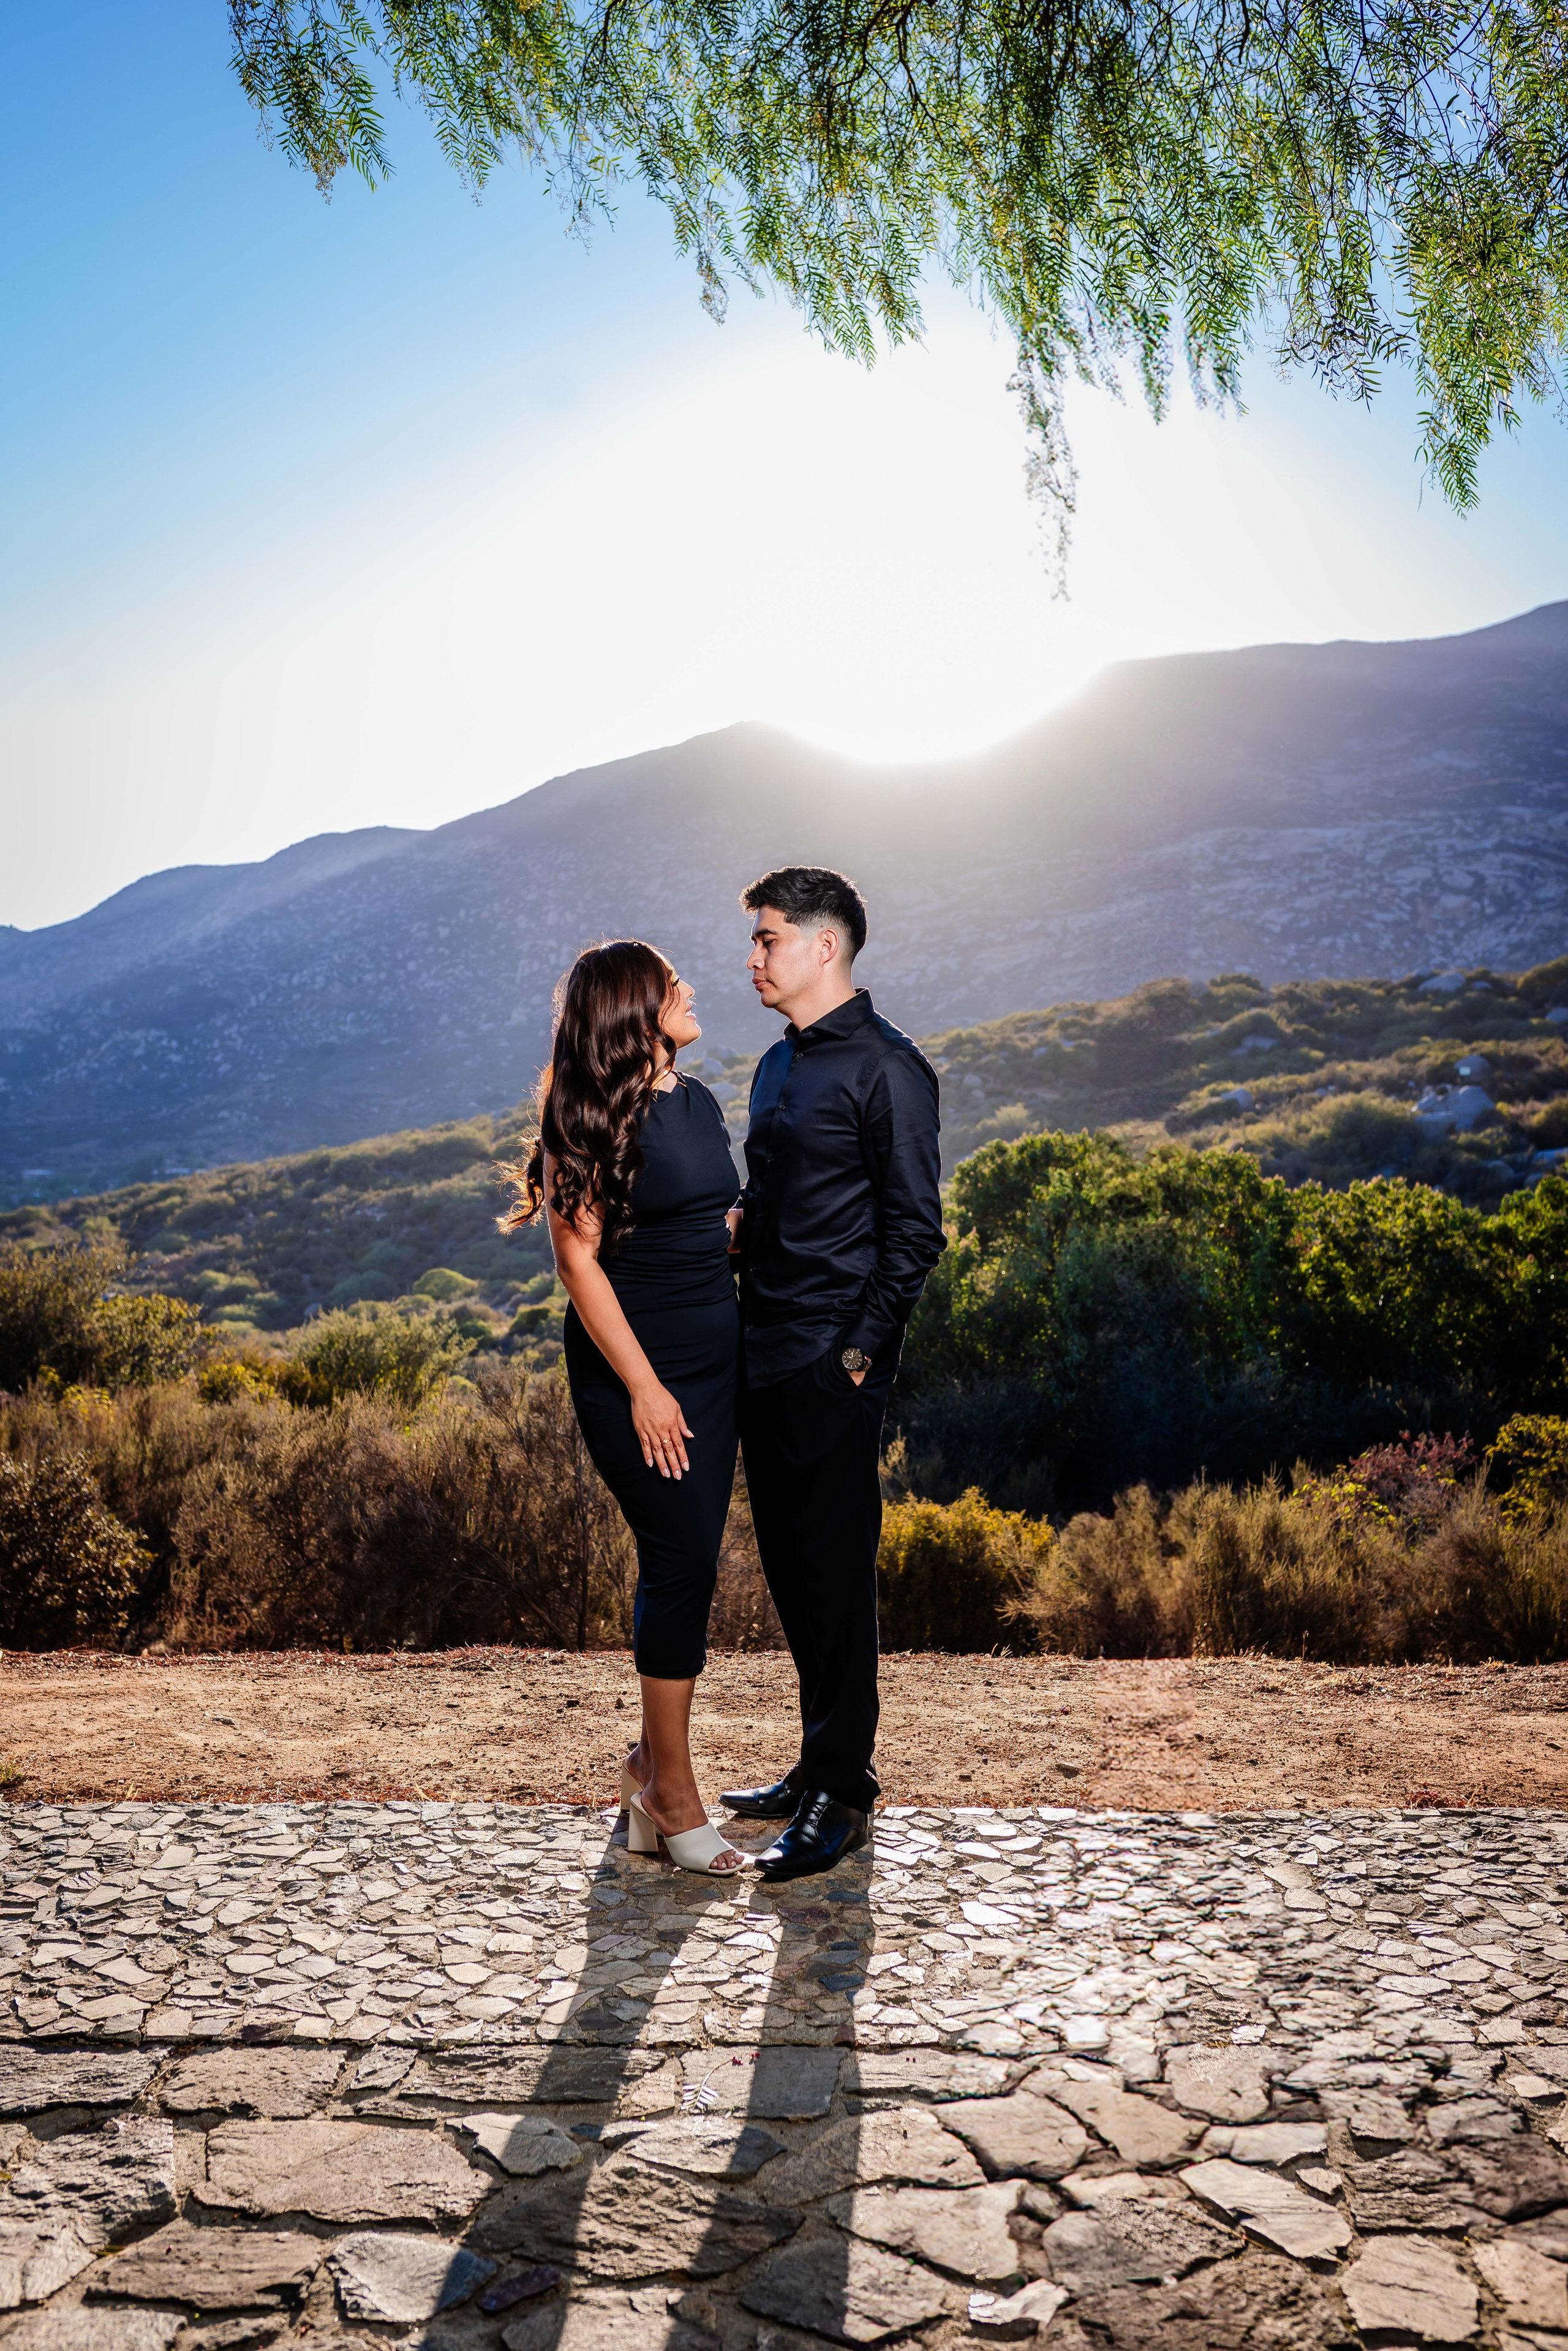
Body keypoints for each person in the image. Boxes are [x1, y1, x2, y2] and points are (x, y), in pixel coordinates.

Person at [500, 940, 746, 1876]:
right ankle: (671, 1790)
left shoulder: (695, 1099)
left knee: (685, 1564)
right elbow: (577, 1261)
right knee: (681, 1561)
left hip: (715, 1370)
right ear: (631, 1011)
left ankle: (650, 1771)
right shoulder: (586, 1119)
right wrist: (644, 1386)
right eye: (670, 984)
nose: (689, 990)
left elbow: (702, 1223)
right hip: (636, 1373)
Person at [723, 867, 945, 1881]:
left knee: (836, 1575)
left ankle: (844, 1796)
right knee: (790, 1570)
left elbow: (914, 1234)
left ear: (825, 945)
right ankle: (816, 1764)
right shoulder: (774, 1069)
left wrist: (855, 1355)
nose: (755, 958)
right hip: (757, 1355)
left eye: (768, 939)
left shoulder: (890, 1070)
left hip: (830, 1366)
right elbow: (770, 1207)